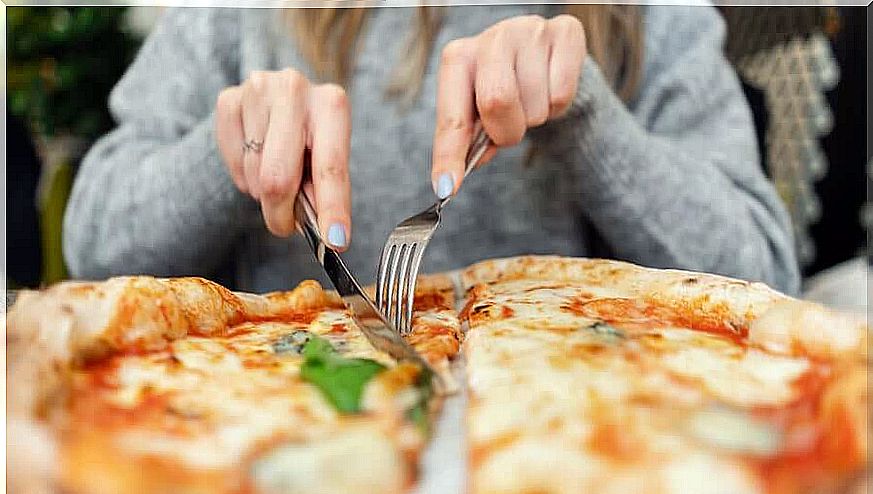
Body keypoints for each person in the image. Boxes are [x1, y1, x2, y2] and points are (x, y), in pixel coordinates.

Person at [63, 4, 800, 295]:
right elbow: (92, 250)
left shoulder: (658, 17)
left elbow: (764, 276)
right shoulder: (231, 14)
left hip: (584, 447)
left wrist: (585, 113)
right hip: (271, 436)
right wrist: (227, 157)